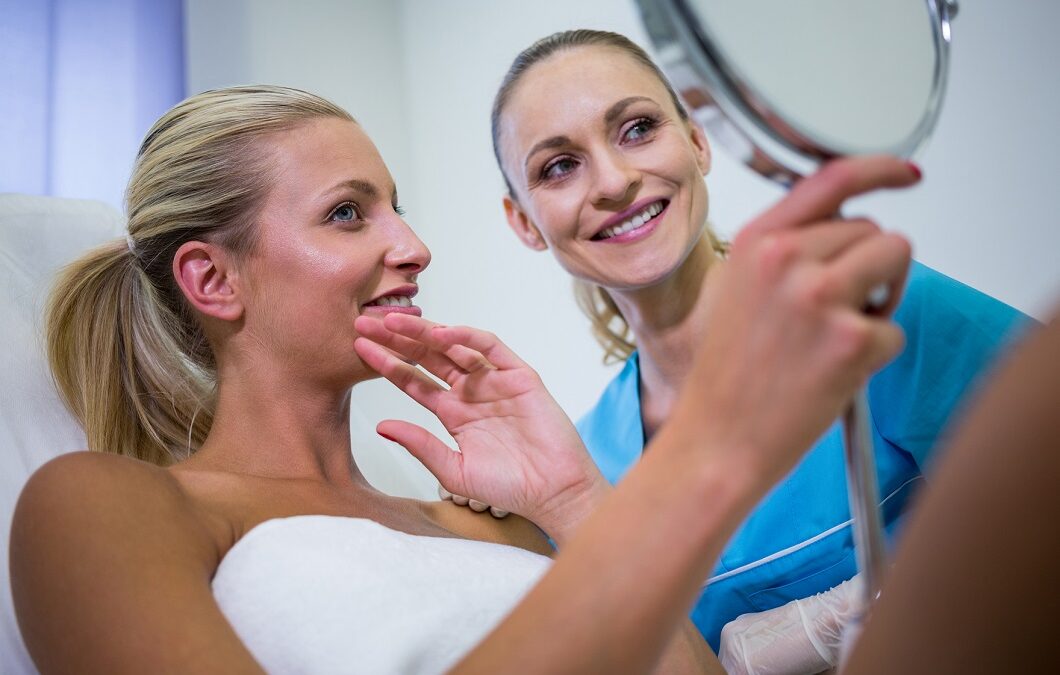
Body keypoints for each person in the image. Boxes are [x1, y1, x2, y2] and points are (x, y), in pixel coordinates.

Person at [488, 29, 1030, 664]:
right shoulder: (582, 475)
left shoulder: (865, 311)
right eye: (559, 167)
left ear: (697, 142)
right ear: (525, 221)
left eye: (636, 129)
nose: (612, 180)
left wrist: (844, 614)